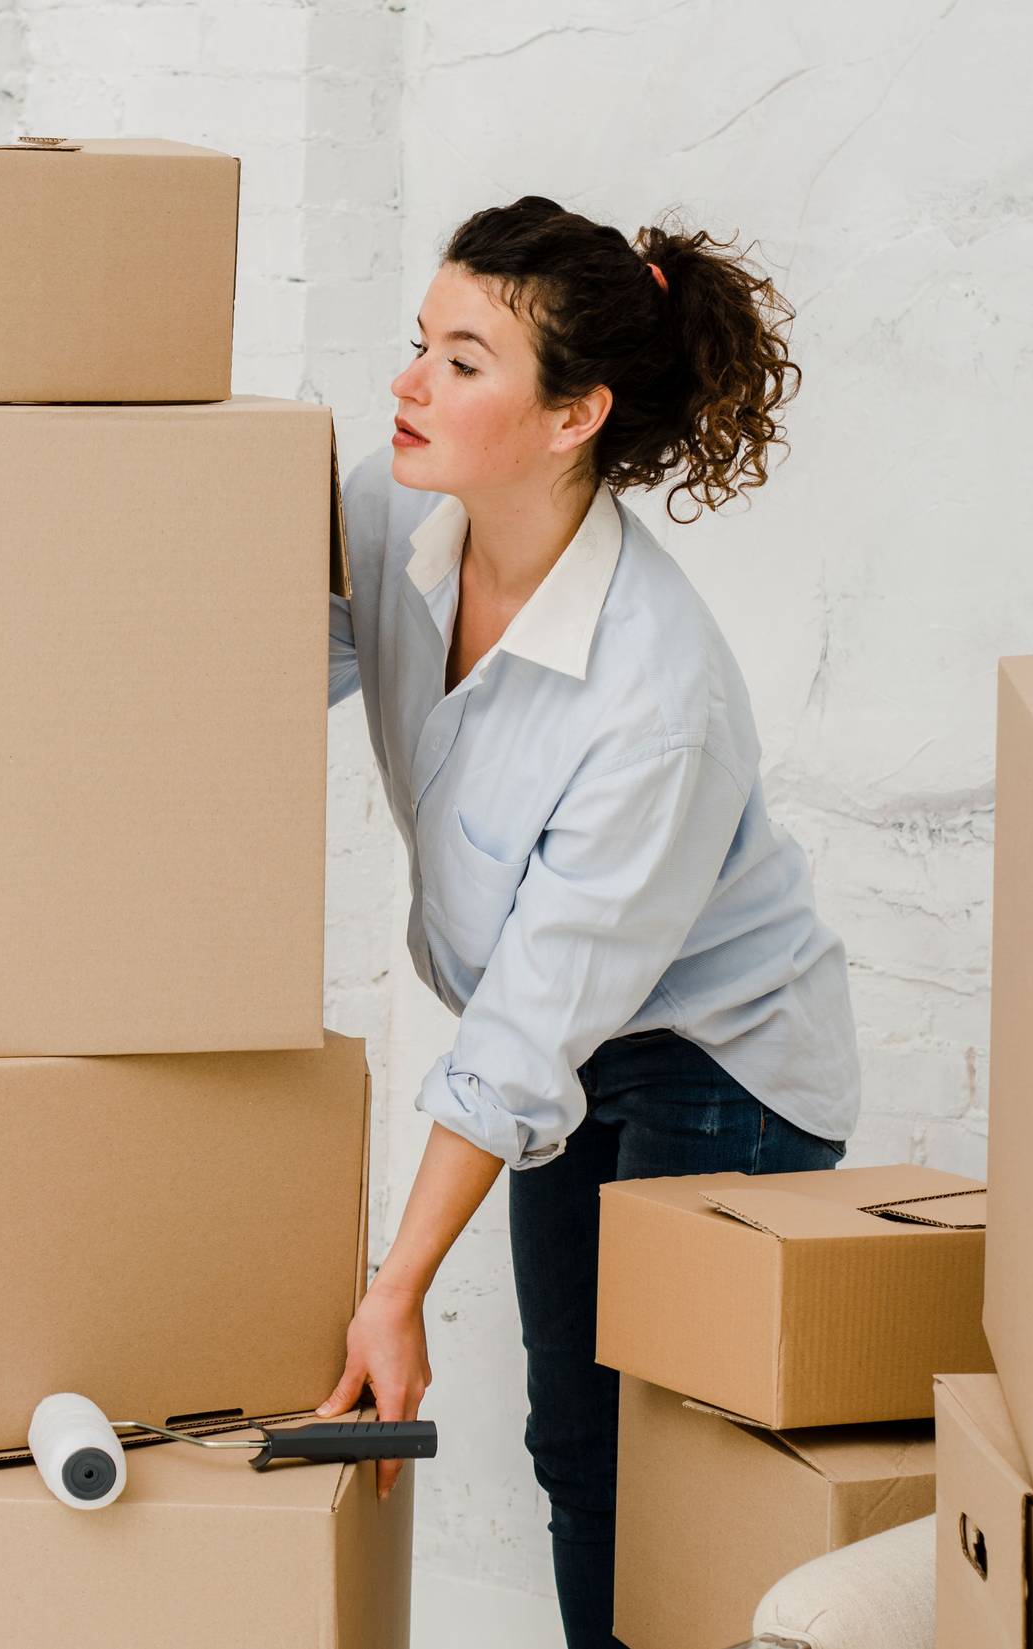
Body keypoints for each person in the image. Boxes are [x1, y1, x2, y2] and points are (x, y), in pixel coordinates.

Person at [312, 197, 861, 1649]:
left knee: (664, 1471)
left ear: (575, 415)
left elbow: (525, 1029)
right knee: (578, 1448)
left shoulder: (651, 699)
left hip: (718, 1065)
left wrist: (394, 1286)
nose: (408, 383)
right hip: (585, 1041)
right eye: (417, 344)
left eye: (464, 360)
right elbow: (245, 659)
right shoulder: (391, 510)